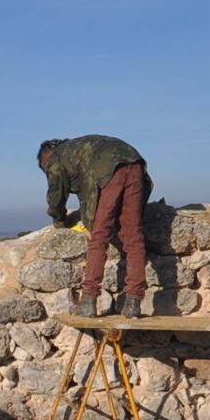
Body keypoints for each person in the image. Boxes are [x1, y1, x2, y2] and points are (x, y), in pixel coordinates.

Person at [38, 135, 151, 317]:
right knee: (133, 237)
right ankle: (133, 304)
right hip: (135, 161)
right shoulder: (79, 149)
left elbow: (56, 195)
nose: (48, 171)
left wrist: (59, 220)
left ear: (46, 157)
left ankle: (88, 301)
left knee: (99, 236)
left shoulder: (56, 157)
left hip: (109, 169)